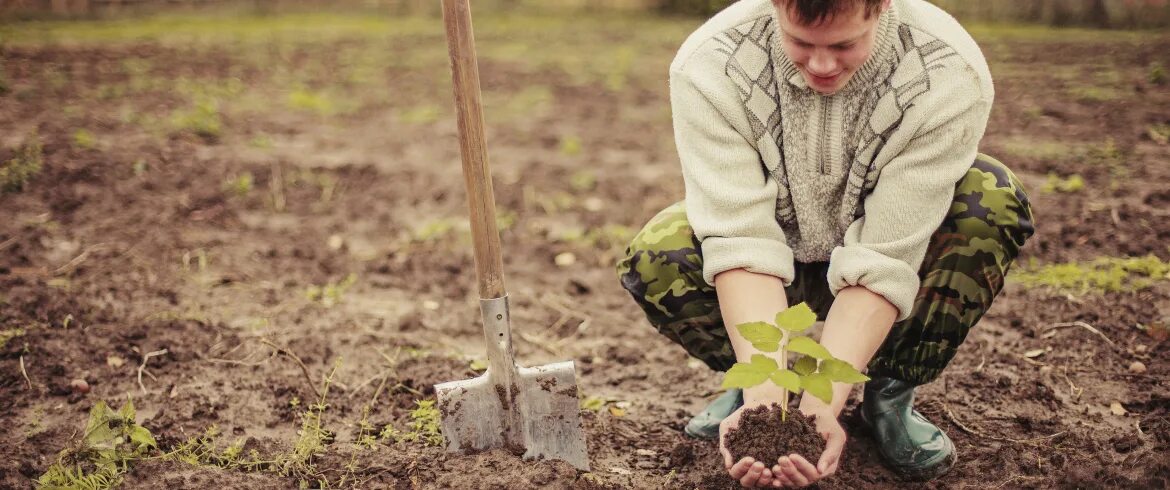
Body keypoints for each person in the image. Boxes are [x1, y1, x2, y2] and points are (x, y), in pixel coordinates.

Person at [616, 0, 1035, 487]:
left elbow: (885, 257)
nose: (821, 65)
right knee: (659, 252)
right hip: (777, 254)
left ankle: (890, 391)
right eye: (800, 42)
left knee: (989, 201)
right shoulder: (712, 64)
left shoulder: (945, 71)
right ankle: (748, 378)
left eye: (843, 45)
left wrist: (817, 412)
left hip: (889, 260)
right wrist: (766, 413)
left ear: (880, 8)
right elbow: (740, 240)